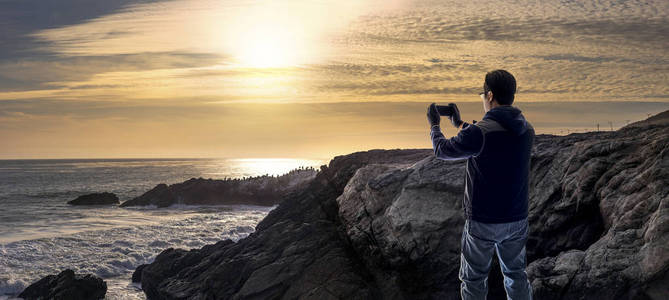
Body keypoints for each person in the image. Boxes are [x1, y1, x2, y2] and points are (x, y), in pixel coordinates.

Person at [426, 69, 534, 300]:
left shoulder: (480, 133)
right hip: (517, 219)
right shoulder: (527, 130)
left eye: (482, 94)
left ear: (490, 95)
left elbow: (442, 150)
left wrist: (435, 125)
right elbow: (491, 136)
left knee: (474, 280)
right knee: (516, 275)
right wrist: (459, 123)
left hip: (484, 221)